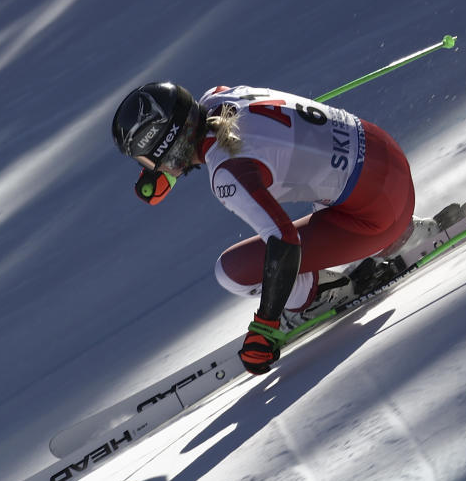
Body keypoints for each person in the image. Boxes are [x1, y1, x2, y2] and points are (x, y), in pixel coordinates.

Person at [112, 82, 427, 375]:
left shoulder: (227, 171)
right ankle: (398, 239)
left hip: (378, 214)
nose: (149, 168)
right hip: (387, 157)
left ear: (167, 145)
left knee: (232, 271)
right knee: (320, 179)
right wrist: (170, 165)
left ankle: (314, 297)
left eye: (147, 160)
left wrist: (267, 323)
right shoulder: (218, 97)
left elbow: (284, 240)